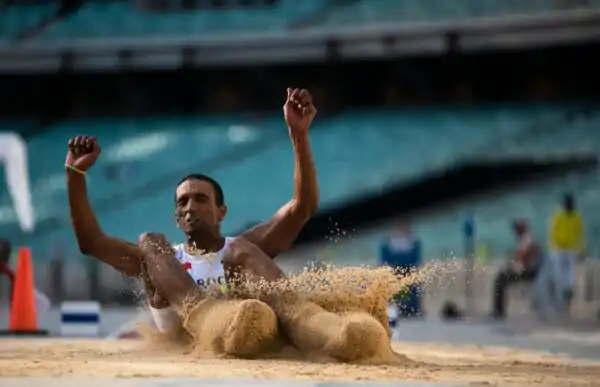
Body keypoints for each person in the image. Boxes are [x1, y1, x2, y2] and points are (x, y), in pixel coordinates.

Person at [66, 88, 389, 360]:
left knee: (242, 253)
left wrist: (299, 135)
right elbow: (91, 242)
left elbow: (302, 207)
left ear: (222, 212)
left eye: (200, 199)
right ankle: (207, 315)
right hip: (194, 338)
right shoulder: (161, 259)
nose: (191, 206)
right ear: (177, 218)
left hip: (251, 330)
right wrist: (75, 175)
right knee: (149, 242)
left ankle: (318, 327)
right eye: (183, 202)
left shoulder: (241, 249)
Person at [492, 219, 542, 319]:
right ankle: (498, 310)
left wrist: (509, 265)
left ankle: (498, 311)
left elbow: (518, 256)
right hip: (532, 272)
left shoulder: (526, 240)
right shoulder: (529, 238)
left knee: (500, 279)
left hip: (528, 273)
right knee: (502, 277)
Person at [548, 193, 586, 314]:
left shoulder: (575, 216)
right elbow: (553, 232)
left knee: (568, 273)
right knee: (561, 273)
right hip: (559, 248)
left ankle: (566, 294)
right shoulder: (559, 215)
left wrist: (581, 249)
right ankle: (563, 296)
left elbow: (580, 234)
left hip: (568, 248)